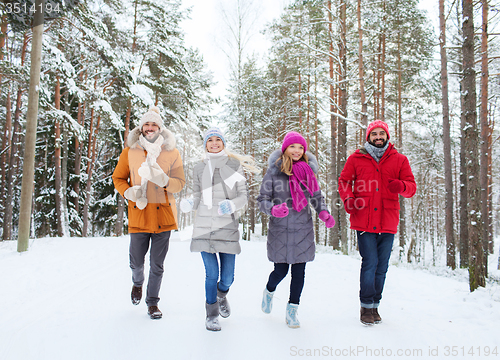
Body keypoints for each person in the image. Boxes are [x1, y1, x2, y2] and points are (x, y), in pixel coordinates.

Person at [179, 127, 259, 331]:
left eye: (218, 140)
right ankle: (211, 314)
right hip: (204, 229)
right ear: (205, 144)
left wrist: (232, 205)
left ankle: (221, 295)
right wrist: (189, 203)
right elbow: (197, 196)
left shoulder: (233, 165)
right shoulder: (199, 168)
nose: (214, 143)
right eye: (210, 140)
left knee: (228, 277)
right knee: (211, 274)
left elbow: (243, 195)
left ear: (223, 143)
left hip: (227, 228)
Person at [338, 120, 416, 326]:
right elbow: (344, 181)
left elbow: (411, 187)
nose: (378, 137)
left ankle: (375, 306)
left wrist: (401, 185)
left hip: (388, 220)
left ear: (387, 136)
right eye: (374, 134)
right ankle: (365, 306)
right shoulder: (356, 158)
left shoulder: (399, 160)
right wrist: (348, 199)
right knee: (370, 263)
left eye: (382, 133)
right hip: (363, 218)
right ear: (368, 137)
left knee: (382, 267)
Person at [112, 106, 185, 320]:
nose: (150, 127)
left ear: (160, 128)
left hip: (163, 216)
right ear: (141, 127)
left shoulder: (171, 152)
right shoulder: (130, 151)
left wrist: (165, 181)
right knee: (136, 261)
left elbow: (180, 183)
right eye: (147, 124)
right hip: (139, 214)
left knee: (157, 265)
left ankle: (152, 303)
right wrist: (129, 192)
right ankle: (137, 283)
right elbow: (118, 178)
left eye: (154, 124)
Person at [257, 131, 335, 329]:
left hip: (302, 229)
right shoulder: (273, 173)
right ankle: (269, 290)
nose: (297, 151)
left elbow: (317, 197)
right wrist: (273, 209)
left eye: (301, 147)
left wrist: (324, 213)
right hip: (280, 230)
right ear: (285, 149)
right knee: (280, 271)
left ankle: (292, 311)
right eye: (293, 146)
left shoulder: (309, 172)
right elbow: (262, 200)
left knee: (299, 273)